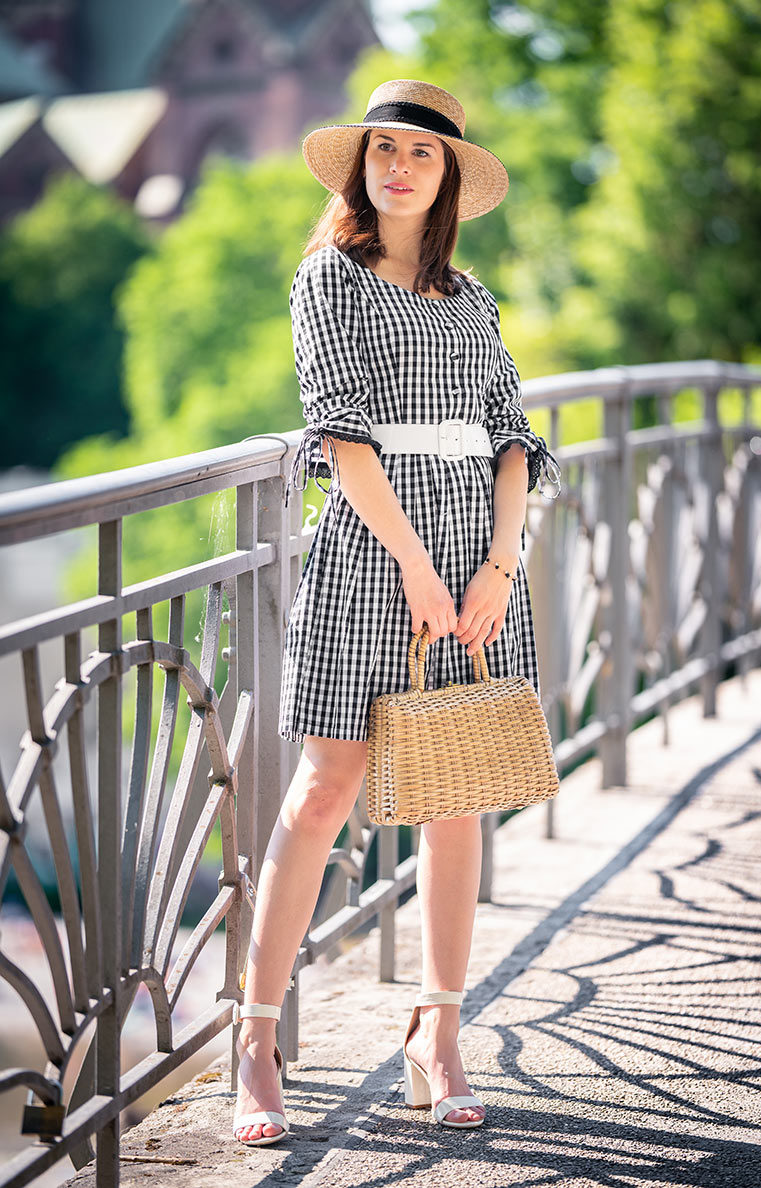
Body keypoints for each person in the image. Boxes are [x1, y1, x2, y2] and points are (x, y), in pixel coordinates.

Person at [232, 78, 561, 1146]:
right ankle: (256, 1037)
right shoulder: (328, 278)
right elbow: (340, 432)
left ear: (451, 174)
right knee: (326, 788)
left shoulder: (472, 301)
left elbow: (515, 435)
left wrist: (497, 566)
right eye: (384, 149)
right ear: (363, 167)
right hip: (376, 555)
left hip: (478, 562)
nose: (401, 165)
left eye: (421, 153)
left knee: (457, 791)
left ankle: (438, 1029)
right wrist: (419, 567)